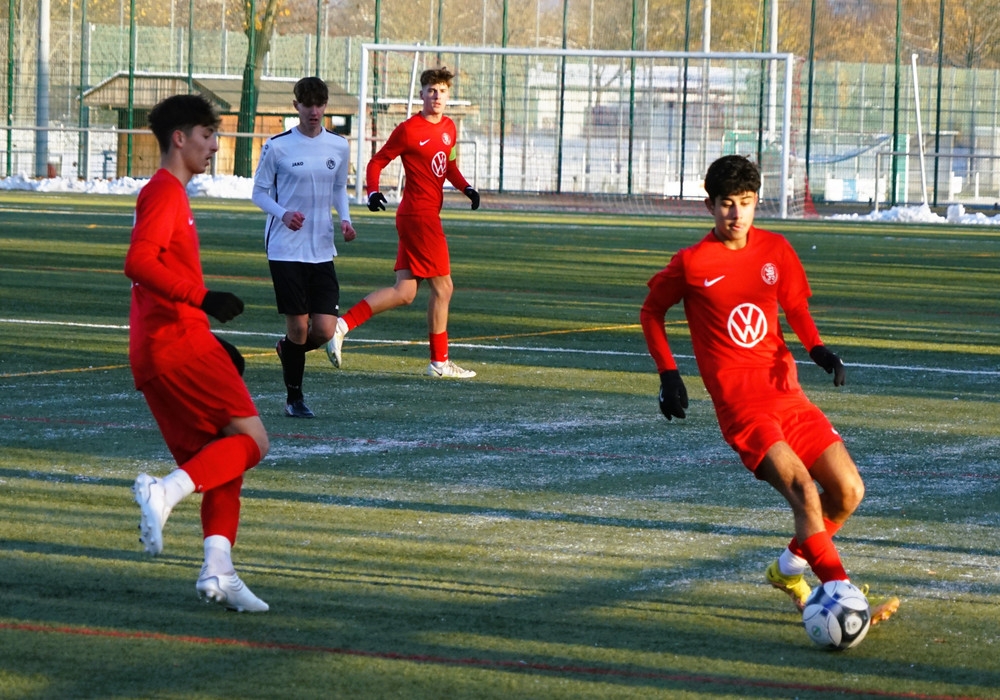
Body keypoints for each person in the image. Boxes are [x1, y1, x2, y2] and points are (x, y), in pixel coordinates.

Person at [640, 154, 899, 624]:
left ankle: (787, 570)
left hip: (788, 396)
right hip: (742, 407)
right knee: (803, 489)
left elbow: (794, 306)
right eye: (726, 203)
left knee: (848, 491)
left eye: (745, 202)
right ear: (709, 206)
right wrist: (669, 374)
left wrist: (818, 350)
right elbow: (651, 312)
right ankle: (841, 596)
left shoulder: (776, 250)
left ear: (757, 202)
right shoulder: (692, 263)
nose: (735, 214)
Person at [125, 93, 270, 613]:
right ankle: (164, 492)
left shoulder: (168, 193)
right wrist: (202, 301)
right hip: (176, 343)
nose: (213, 145)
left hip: (160, 348)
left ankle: (218, 569)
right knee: (253, 440)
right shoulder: (165, 192)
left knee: (221, 459)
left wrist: (208, 331)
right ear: (180, 138)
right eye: (207, 136)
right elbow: (139, 262)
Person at [329, 66, 480, 379]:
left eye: (442, 91)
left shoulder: (449, 128)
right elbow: (377, 161)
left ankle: (341, 326)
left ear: (448, 95)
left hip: (421, 216)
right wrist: (373, 191)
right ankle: (439, 363)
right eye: (431, 91)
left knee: (405, 292)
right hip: (419, 217)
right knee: (444, 288)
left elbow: (449, 166)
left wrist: (466, 188)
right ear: (422, 94)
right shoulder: (409, 130)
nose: (437, 96)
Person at [252, 76, 357, 418]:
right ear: (296, 105)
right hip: (285, 249)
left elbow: (339, 188)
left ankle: (288, 350)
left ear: (325, 106)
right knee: (298, 328)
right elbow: (259, 193)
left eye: (319, 104)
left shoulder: (338, 146)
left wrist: (345, 219)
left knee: (324, 329)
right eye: (307, 104)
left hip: (321, 248)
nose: (314, 111)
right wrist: (283, 214)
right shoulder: (277, 146)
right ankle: (294, 398)